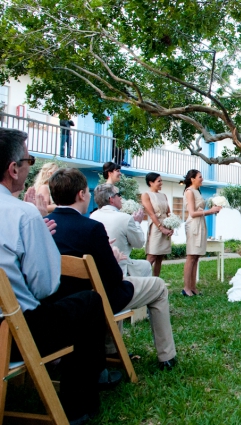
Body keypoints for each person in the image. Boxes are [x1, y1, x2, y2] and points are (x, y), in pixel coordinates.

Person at [0, 128, 110, 425]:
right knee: (88, 302)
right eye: (28, 160)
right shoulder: (22, 214)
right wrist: (40, 236)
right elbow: (45, 287)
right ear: (13, 169)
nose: (29, 166)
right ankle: (78, 406)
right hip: (13, 336)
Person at [47, 168, 178, 371]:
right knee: (158, 286)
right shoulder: (91, 228)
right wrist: (114, 257)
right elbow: (115, 277)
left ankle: (110, 348)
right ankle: (167, 356)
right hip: (97, 299)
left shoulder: (45, 225)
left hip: (60, 301)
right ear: (81, 194)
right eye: (87, 192)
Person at [90, 183, 152, 277]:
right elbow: (139, 243)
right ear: (111, 199)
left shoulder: (93, 216)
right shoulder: (125, 218)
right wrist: (137, 223)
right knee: (146, 265)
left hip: (98, 267)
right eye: (118, 195)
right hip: (120, 267)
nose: (120, 198)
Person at [182, 169, 222, 296]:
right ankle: (186, 288)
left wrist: (214, 209)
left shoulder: (197, 192)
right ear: (192, 179)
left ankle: (193, 287)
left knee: (196, 256)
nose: (202, 178)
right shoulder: (189, 192)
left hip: (201, 224)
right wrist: (210, 211)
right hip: (193, 225)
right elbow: (192, 213)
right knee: (191, 256)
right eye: (200, 176)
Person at [140, 172, 173, 276]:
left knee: (160, 257)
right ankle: (143, 279)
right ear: (151, 182)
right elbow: (151, 213)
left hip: (166, 224)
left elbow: (168, 212)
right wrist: (161, 228)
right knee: (152, 255)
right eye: (159, 181)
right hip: (155, 226)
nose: (161, 183)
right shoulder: (146, 195)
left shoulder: (163, 195)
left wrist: (171, 226)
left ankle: (156, 280)